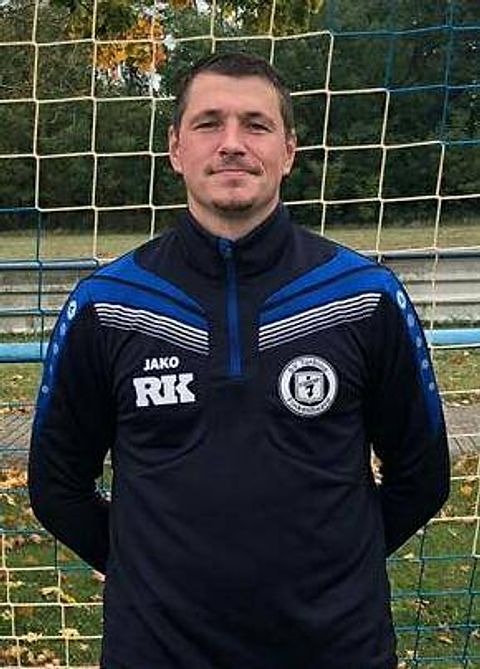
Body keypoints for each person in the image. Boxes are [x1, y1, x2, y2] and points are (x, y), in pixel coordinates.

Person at [29, 52, 450, 669]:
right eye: (208, 123)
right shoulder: (109, 305)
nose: (232, 143)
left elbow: (422, 477)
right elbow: (56, 486)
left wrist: (336, 571)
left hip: (336, 650)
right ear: (176, 149)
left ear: (288, 151)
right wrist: (154, 576)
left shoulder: (364, 297)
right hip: (157, 653)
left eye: (256, 124)